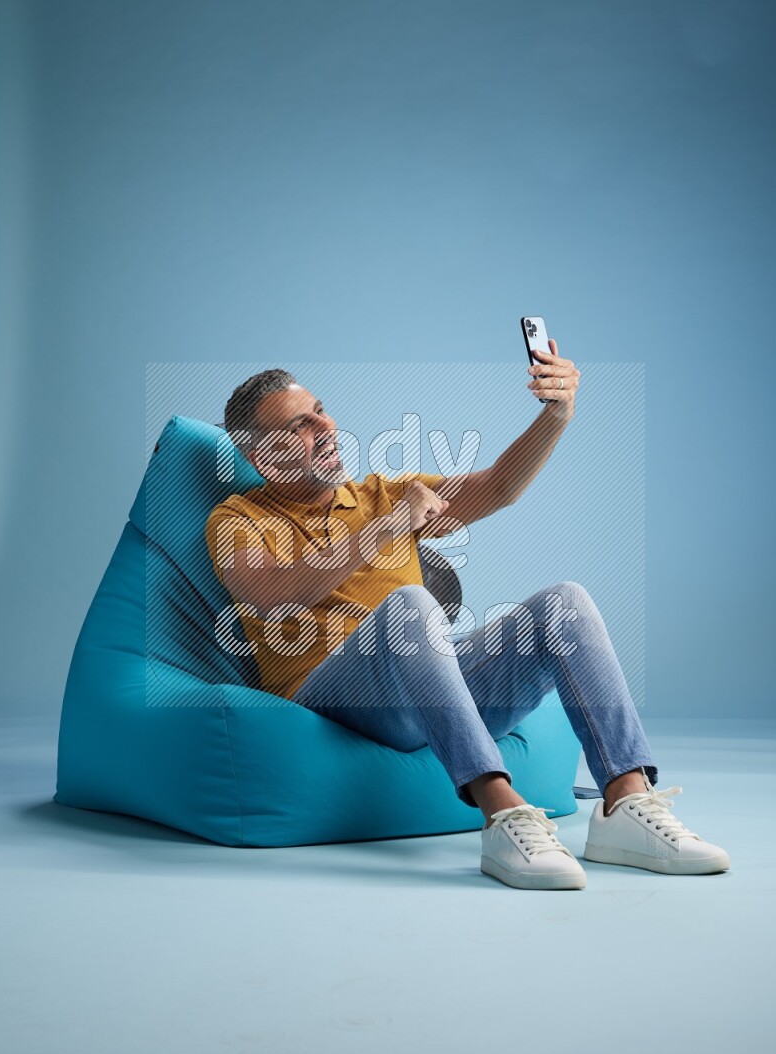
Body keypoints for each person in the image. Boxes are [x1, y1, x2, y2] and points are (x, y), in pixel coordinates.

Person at [204, 347, 730, 890]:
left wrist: (555, 417)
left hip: (428, 697)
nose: (326, 425)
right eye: (301, 425)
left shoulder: (379, 493)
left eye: (321, 409)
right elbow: (275, 591)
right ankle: (502, 813)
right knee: (411, 606)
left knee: (564, 602)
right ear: (265, 458)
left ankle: (626, 801)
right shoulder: (236, 518)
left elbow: (499, 486)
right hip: (333, 705)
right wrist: (387, 529)